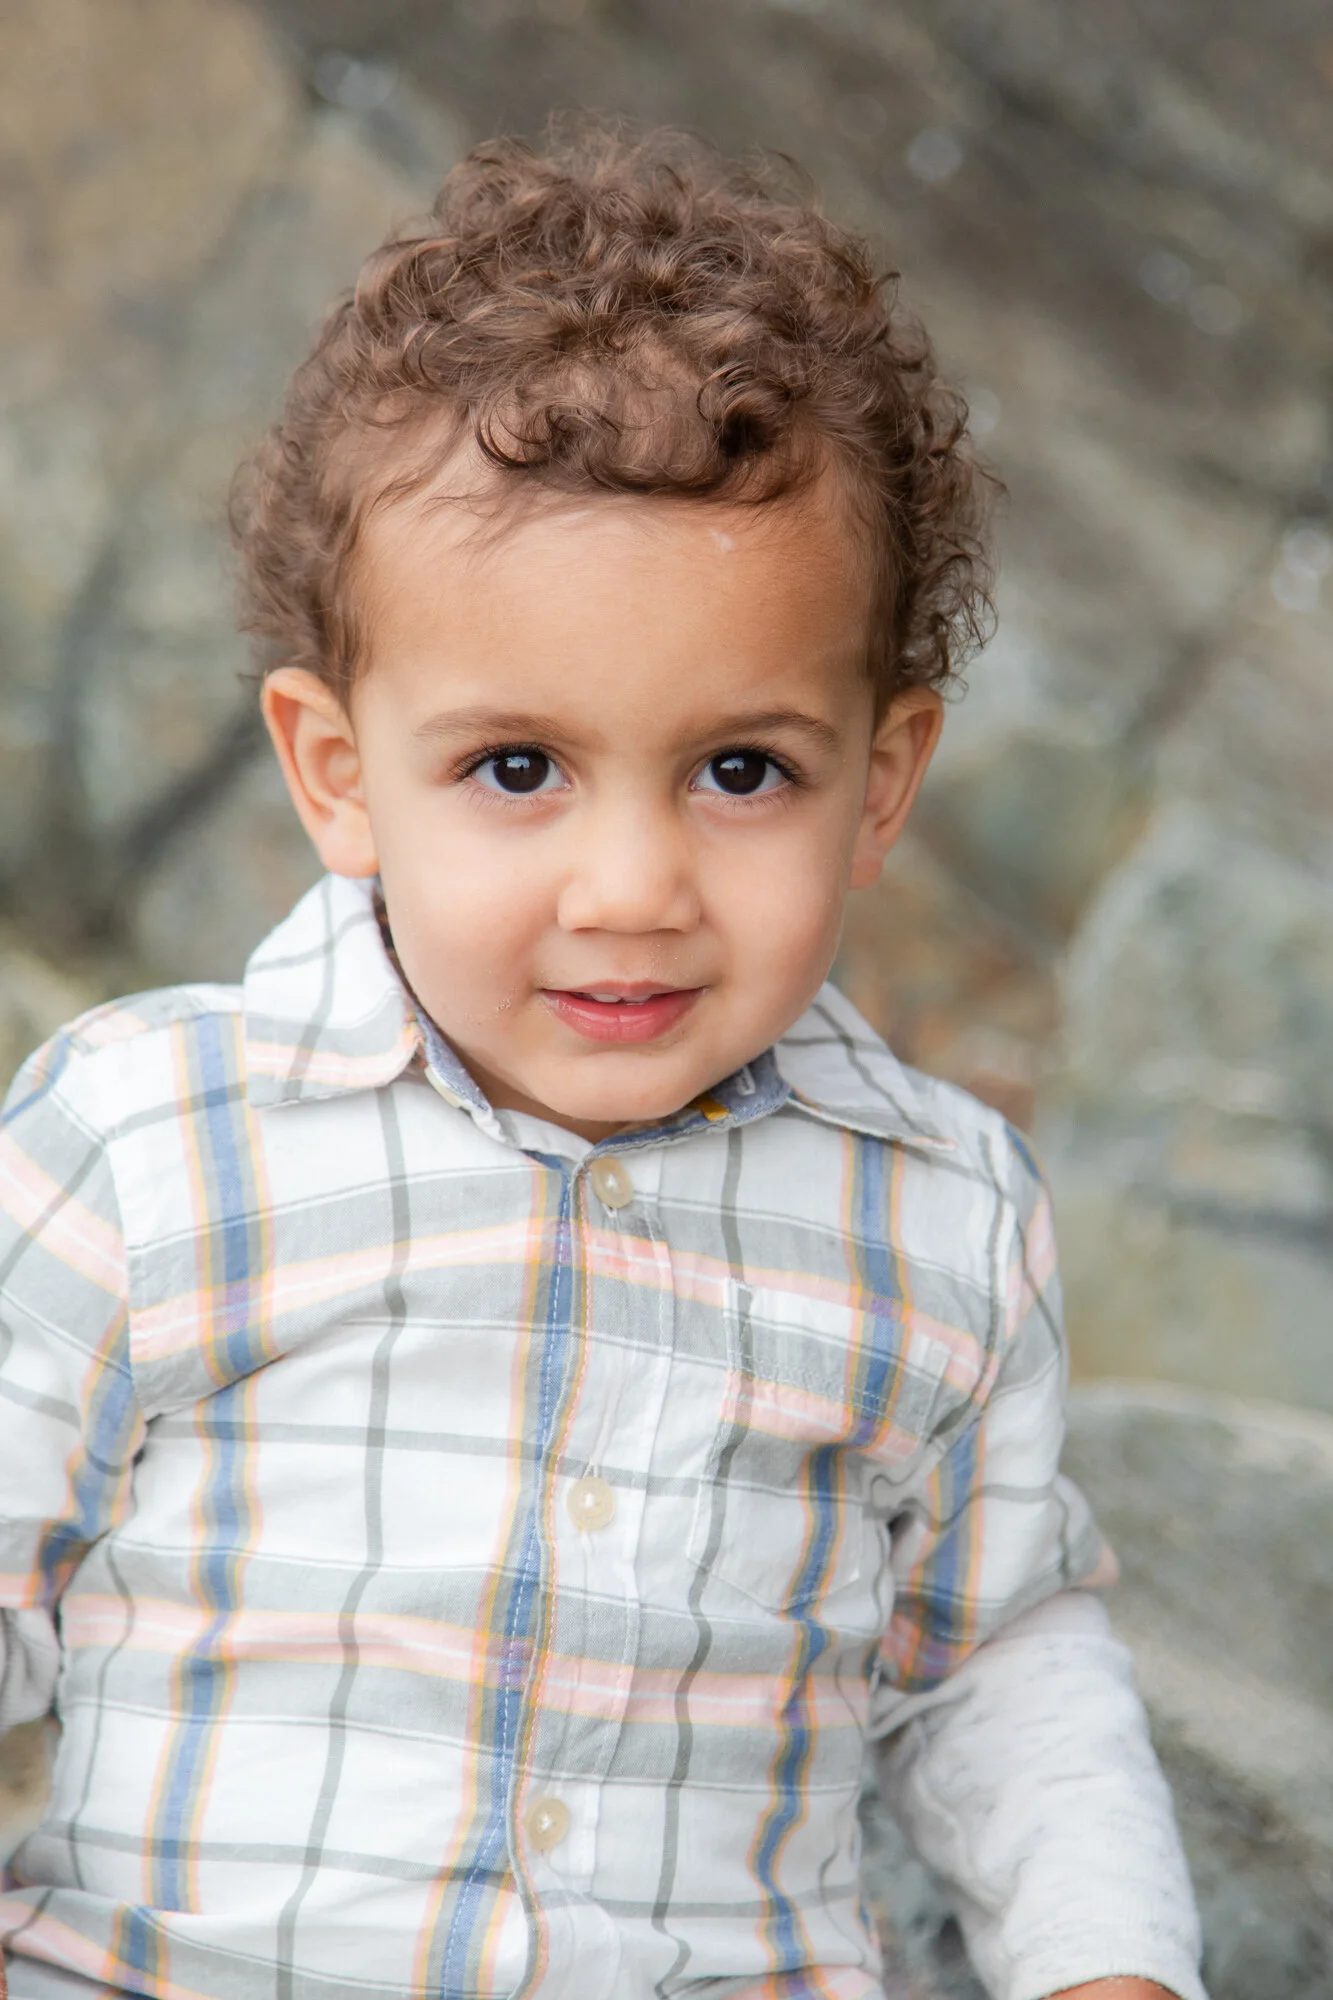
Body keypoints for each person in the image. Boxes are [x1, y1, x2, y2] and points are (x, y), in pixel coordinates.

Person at [0, 126, 1206, 2000]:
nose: (632, 889)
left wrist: (1102, 1967)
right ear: (339, 774)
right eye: (517, 768)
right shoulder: (153, 1142)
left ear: (882, 780)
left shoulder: (941, 1219)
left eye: (742, 770)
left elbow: (997, 1661)